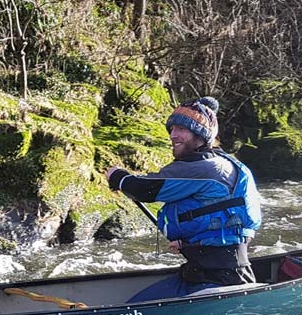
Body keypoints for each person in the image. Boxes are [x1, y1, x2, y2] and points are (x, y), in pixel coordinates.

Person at [105, 96, 263, 299]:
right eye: (172, 129)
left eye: (181, 129)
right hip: (202, 269)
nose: (173, 135)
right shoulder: (221, 162)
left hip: (223, 276)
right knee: (136, 302)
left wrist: (119, 177)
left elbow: (144, 189)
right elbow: (215, 214)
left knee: (137, 306)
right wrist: (188, 242)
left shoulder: (204, 167)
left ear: (201, 136)